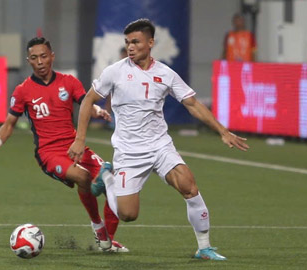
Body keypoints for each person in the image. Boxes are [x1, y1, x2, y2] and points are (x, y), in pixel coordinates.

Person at [68, 19, 250, 260]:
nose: (130, 47)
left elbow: (192, 104)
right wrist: (80, 138)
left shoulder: (165, 74)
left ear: (150, 43)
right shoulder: (115, 72)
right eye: (127, 42)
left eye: (136, 42)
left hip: (160, 146)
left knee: (189, 186)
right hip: (129, 152)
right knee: (128, 215)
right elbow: (88, 100)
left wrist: (222, 131)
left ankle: (204, 248)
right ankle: (107, 177)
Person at [0, 37, 128, 252]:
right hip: (49, 153)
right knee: (84, 177)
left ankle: (107, 240)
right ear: (28, 61)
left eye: (43, 56)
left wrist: (97, 110)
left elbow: (85, 102)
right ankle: (98, 226)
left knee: (112, 183)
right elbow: (9, 123)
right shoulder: (23, 90)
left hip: (74, 146)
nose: (40, 61)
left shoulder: (69, 82)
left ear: (52, 56)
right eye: (34, 58)